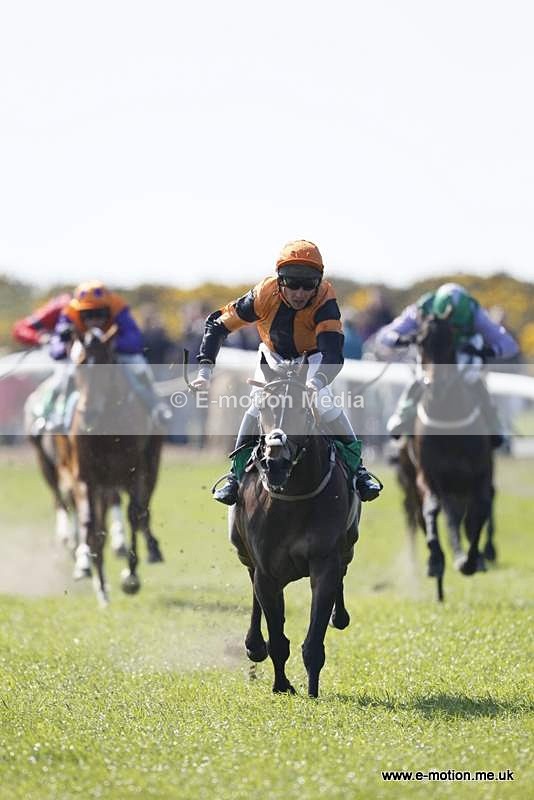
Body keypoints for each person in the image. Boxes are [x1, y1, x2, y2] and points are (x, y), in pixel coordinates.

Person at [191, 240, 383, 505]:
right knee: (257, 406)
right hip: (274, 355)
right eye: (293, 283)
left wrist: (317, 380)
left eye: (309, 284)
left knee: (323, 402)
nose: (300, 292)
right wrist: (205, 368)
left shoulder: (325, 299)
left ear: (319, 282)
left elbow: (333, 354)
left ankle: (358, 470)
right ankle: (235, 477)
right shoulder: (262, 294)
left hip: (311, 357)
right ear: (280, 280)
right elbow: (217, 324)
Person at [376, 282, 520, 445]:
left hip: (462, 350)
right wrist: (399, 339)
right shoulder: (421, 309)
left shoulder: (475, 312)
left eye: (457, 325)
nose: (453, 328)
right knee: (422, 376)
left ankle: (494, 423)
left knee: (472, 377)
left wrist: (488, 351)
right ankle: (403, 414)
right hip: (433, 348)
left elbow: (510, 344)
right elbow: (383, 335)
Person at [48, 280, 171, 431]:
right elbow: (55, 345)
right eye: (87, 314)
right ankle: (56, 416)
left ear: (108, 310)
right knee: (64, 374)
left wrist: (112, 344)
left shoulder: (118, 307)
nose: (94, 320)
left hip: (113, 351)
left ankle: (156, 406)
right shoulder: (69, 312)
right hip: (83, 351)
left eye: (99, 313)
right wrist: (64, 344)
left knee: (138, 365)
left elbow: (135, 339)